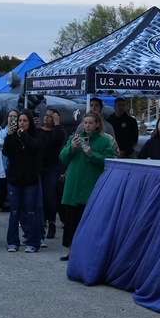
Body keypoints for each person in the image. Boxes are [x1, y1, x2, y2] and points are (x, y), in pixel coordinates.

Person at [59, 112, 115, 261]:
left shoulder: (104, 141)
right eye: (85, 123)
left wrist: (92, 154)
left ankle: (86, 251)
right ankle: (69, 250)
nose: (88, 126)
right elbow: (63, 158)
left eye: (91, 123)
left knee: (88, 220)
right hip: (74, 185)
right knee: (71, 220)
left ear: (97, 124)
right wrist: (71, 148)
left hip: (91, 185)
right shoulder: (74, 138)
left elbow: (109, 161)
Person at [2, 112, 43, 253]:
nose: (22, 123)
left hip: (30, 180)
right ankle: (12, 242)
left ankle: (33, 242)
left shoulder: (36, 134)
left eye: (25, 120)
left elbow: (36, 147)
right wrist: (10, 135)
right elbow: (6, 152)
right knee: (14, 212)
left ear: (30, 122)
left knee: (31, 211)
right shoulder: (12, 136)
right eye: (20, 120)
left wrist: (24, 135)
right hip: (14, 179)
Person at [38, 109, 67, 239]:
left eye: (51, 116)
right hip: (38, 168)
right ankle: (41, 221)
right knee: (40, 196)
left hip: (51, 168)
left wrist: (56, 124)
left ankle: (52, 223)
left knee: (50, 197)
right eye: (46, 115)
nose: (47, 118)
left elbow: (56, 140)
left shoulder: (59, 132)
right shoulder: (38, 131)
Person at [0, 109, 19, 227]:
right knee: (1, 192)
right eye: (10, 116)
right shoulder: (0, 129)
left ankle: (18, 218)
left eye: (15, 116)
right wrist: (9, 141)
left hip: (16, 166)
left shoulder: (20, 131)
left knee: (16, 193)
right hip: (2, 165)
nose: (12, 118)